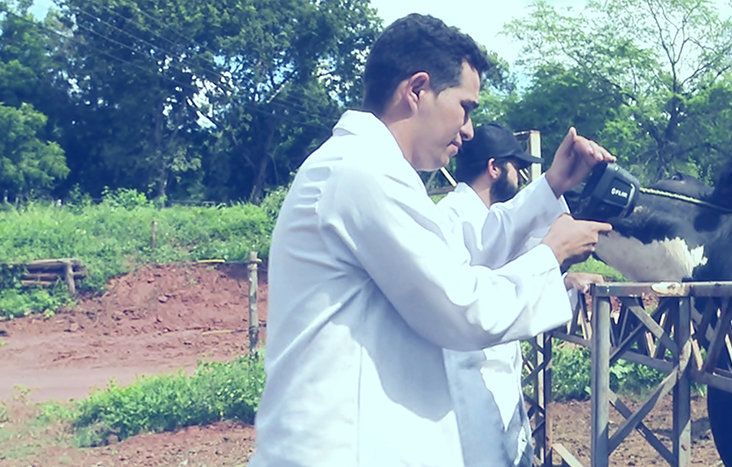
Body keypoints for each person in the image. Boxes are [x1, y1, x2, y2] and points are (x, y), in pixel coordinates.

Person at [250, 14, 614, 467]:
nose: (467, 129)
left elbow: (460, 252)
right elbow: (463, 306)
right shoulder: (362, 171)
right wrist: (552, 252)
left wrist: (552, 185)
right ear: (417, 89)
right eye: (465, 107)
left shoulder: (370, 170)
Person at [435, 123, 605, 467]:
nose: (522, 177)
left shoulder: (484, 219)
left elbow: (505, 265)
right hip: (469, 397)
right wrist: (553, 254)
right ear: (495, 168)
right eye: (518, 168)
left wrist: (563, 278)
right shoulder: (450, 218)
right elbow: (484, 293)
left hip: (496, 388)